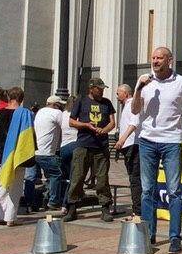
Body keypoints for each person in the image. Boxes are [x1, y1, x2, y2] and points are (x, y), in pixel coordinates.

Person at [132, 46, 182, 253]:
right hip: (147, 140)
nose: (155, 61)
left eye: (159, 58)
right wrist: (138, 89)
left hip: (171, 141)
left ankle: (175, 238)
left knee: (174, 191)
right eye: (153, 57)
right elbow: (135, 110)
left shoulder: (181, 82)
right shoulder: (144, 81)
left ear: (169, 60)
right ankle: (149, 235)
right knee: (147, 190)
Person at [66, 77, 116, 221]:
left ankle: (105, 207)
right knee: (78, 176)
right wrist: (86, 125)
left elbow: (112, 122)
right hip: (83, 144)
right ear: (91, 88)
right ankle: (72, 207)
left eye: (102, 89)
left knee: (102, 178)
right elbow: (71, 121)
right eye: (98, 89)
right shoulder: (81, 101)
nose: (101, 91)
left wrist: (104, 130)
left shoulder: (107, 103)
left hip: (101, 146)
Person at [0, 86, 27, 225]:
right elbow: (29, 136)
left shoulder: (0, 114)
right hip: (19, 154)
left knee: (3, 184)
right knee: (16, 186)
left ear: (9, 98)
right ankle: (10, 218)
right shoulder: (25, 114)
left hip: (3, 153)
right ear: (21, 99)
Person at [33, 95, 66, 214]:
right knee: (56, 175)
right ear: (56, 105)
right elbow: (66, 126)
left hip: (36, 151)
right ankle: (53, 201)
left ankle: (36, 201)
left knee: (38, 178)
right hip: (47, 153)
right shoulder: (56, 113)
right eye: (60, 105)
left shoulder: (40, 112)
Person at [113, 84, 142, 216]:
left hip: (133, 146)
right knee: (133, 178)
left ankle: (138, 211)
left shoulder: (131, 105)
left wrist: (122, 139)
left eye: (118, 93)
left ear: (125, 93)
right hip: (129, 146)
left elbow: (134, 123)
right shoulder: (126, 106)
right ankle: (138, 208)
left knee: (135, 179)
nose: (117, 96)